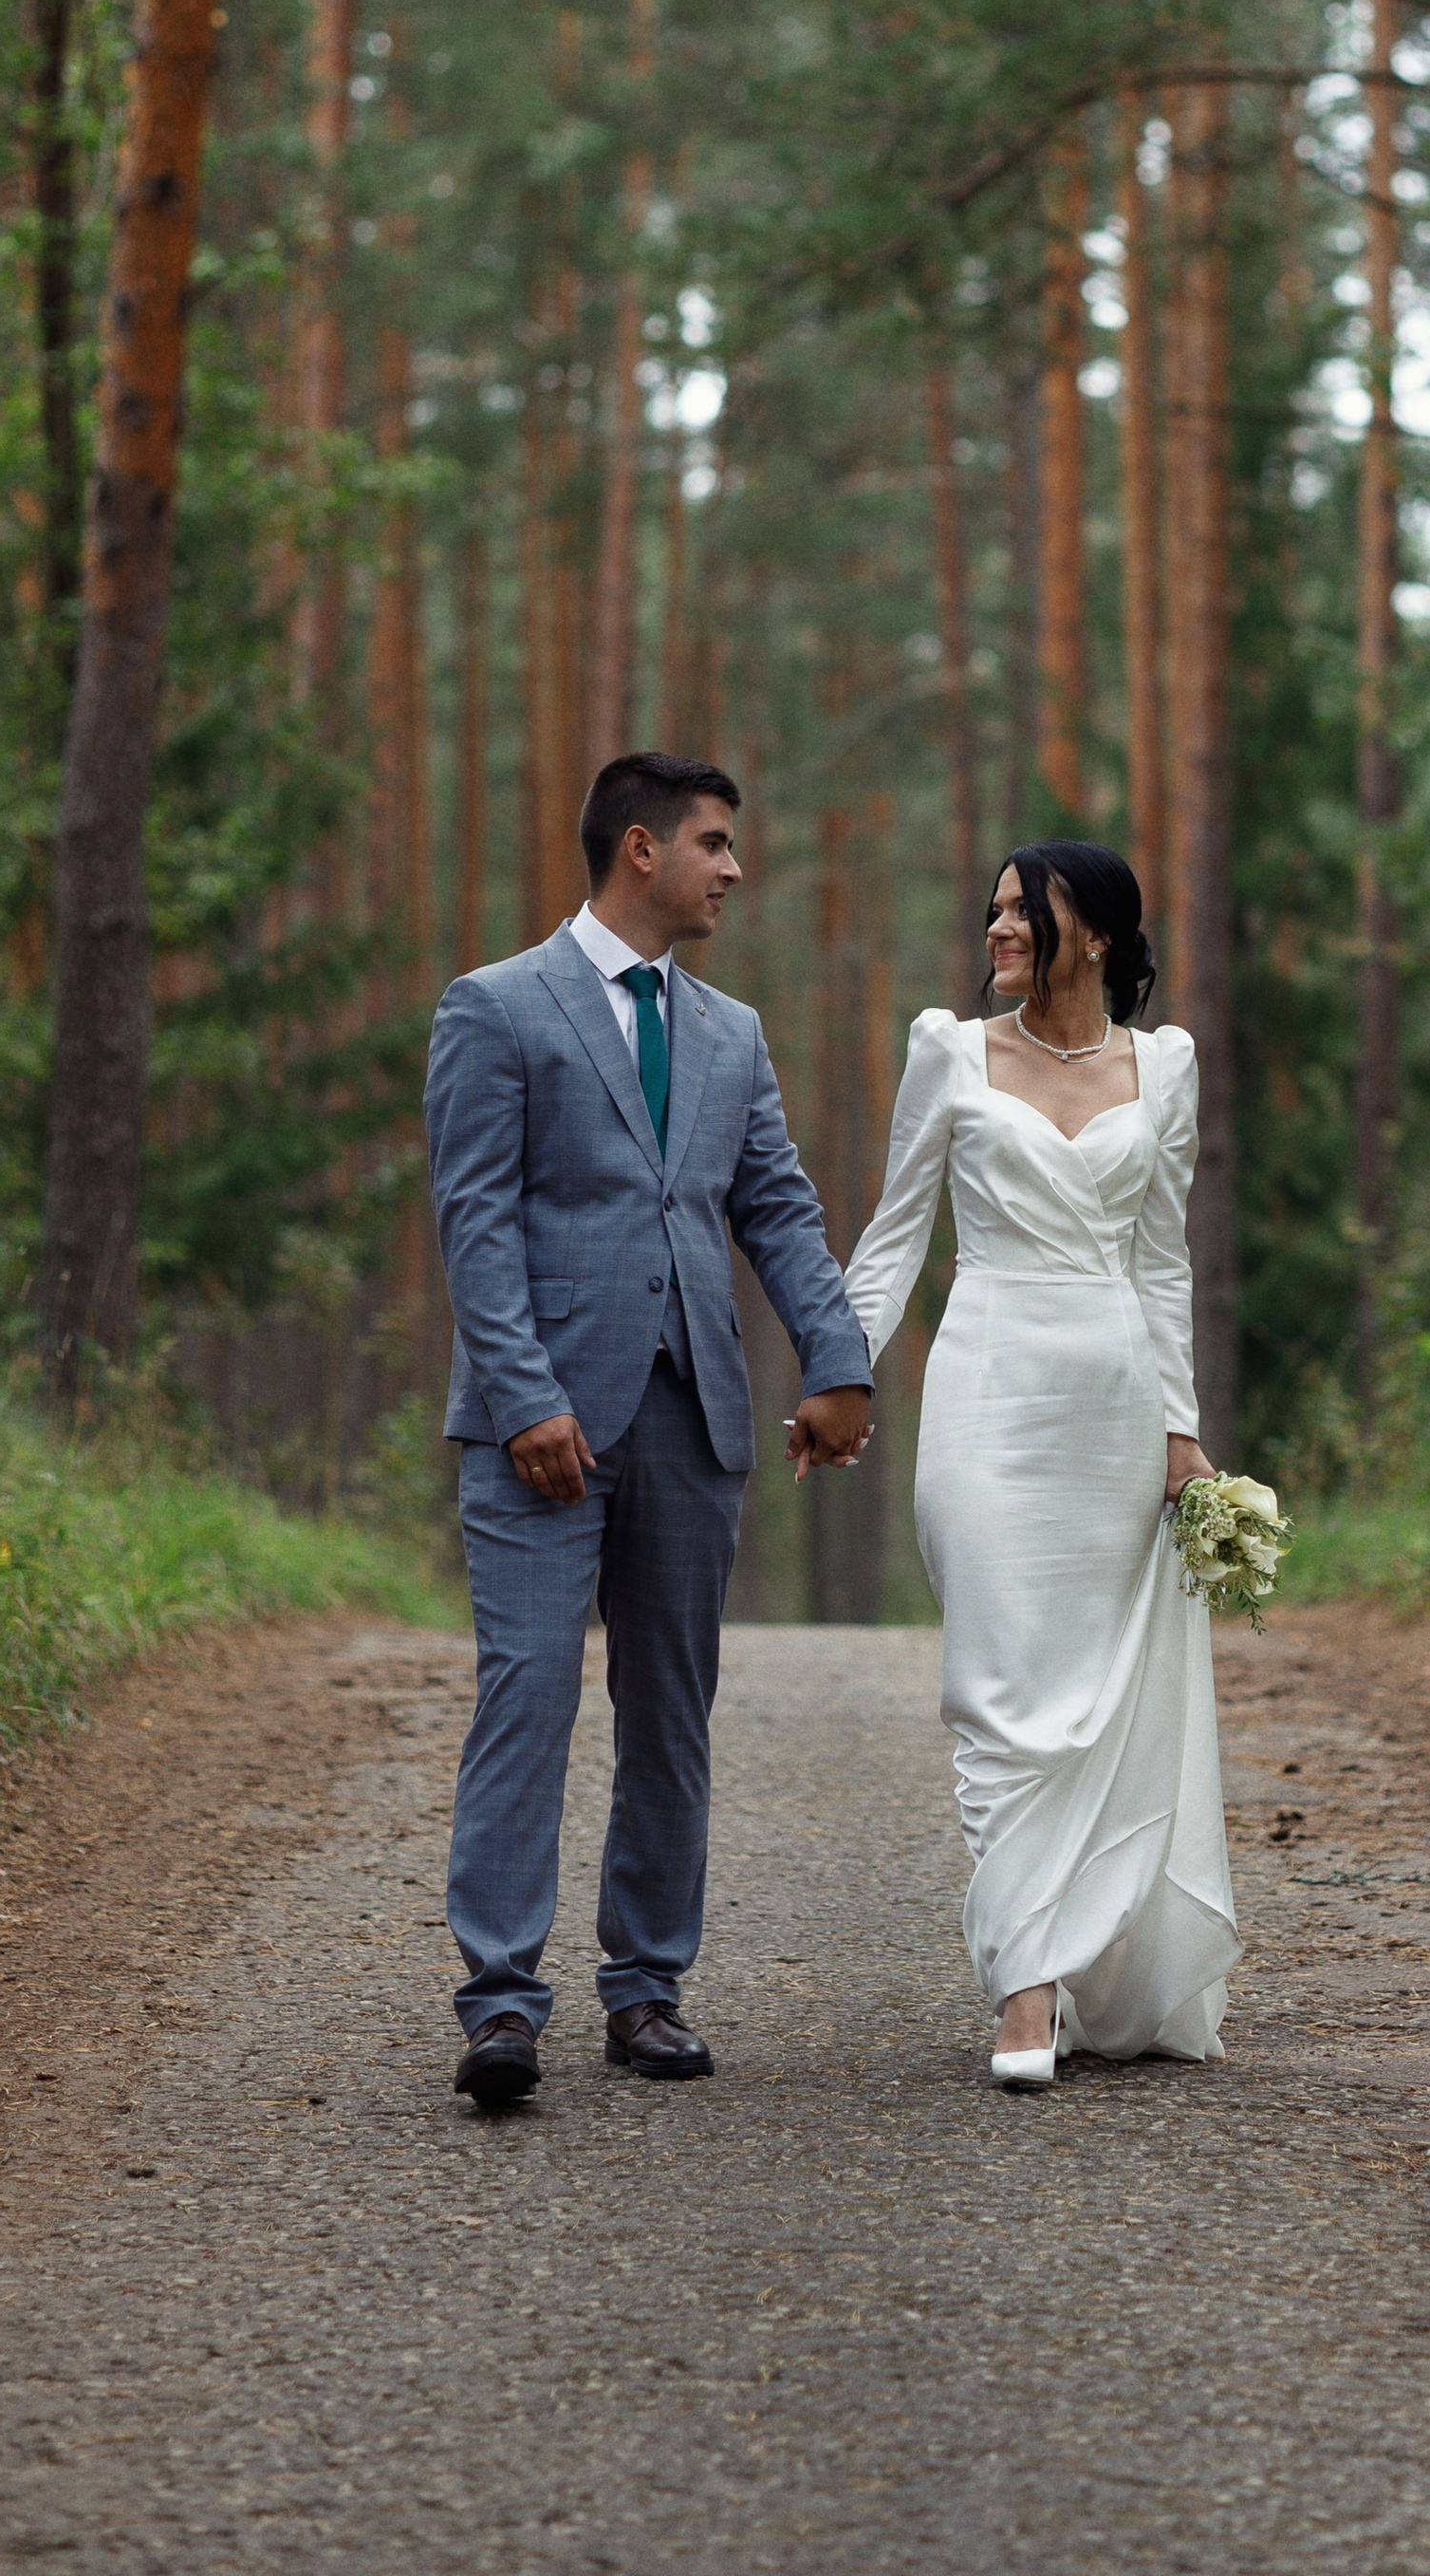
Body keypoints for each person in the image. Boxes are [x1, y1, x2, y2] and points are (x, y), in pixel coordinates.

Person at [425, 750, 874, 2102]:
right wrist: (527, 1401)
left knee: (671, 1710)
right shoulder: (496, 1007)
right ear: (640, 848)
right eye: (717, 844)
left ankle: (646, 1992)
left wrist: (838, 1357)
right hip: (541, 1429)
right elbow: (476, 1220)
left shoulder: (730, 1032)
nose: (734, 870)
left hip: (694, 1417)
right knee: (531, 1693)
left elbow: (777, 1209)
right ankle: (501, 2005)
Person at [841, 841, 1239, 2086]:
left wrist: (1180, 1428)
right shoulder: (950, 1053)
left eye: (1027, 911)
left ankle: (1081, 1960)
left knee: (1095, 1700)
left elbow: (1164, 1258)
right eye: (996, 909)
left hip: (1113, 1404)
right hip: (987, 1396)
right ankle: (1025, 1987)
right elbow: (897, 1230)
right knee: (997, 1688)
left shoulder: (1161, 1069)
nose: (999, 927)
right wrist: (838, 1371)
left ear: (1100, 935)